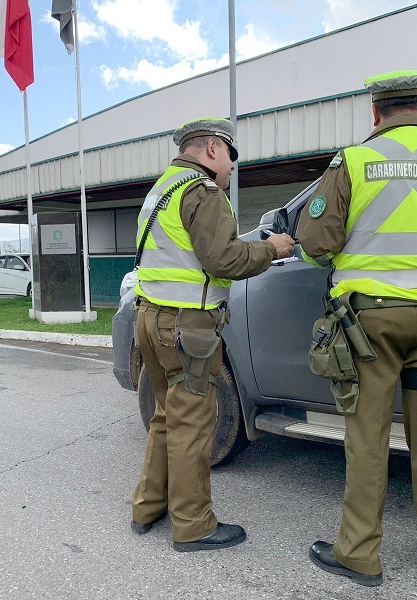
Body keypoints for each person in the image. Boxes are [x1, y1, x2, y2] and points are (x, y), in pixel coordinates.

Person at [297, 70, 417, 586]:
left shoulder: (355, 162)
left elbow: (315, 243)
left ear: (376, 114)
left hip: (370, 326)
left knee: (368, 436)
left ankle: (359, 555)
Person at [130, 117, 295, 552]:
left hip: (150, 319)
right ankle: (194, 525)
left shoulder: (161, 190)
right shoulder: (203, 192)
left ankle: (148, 507)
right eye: (230, 155)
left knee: (167, 416)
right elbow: (224, 259)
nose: (232, 167)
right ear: (210, 150)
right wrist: (272, 249)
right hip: (187, 326)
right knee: (193, 423)